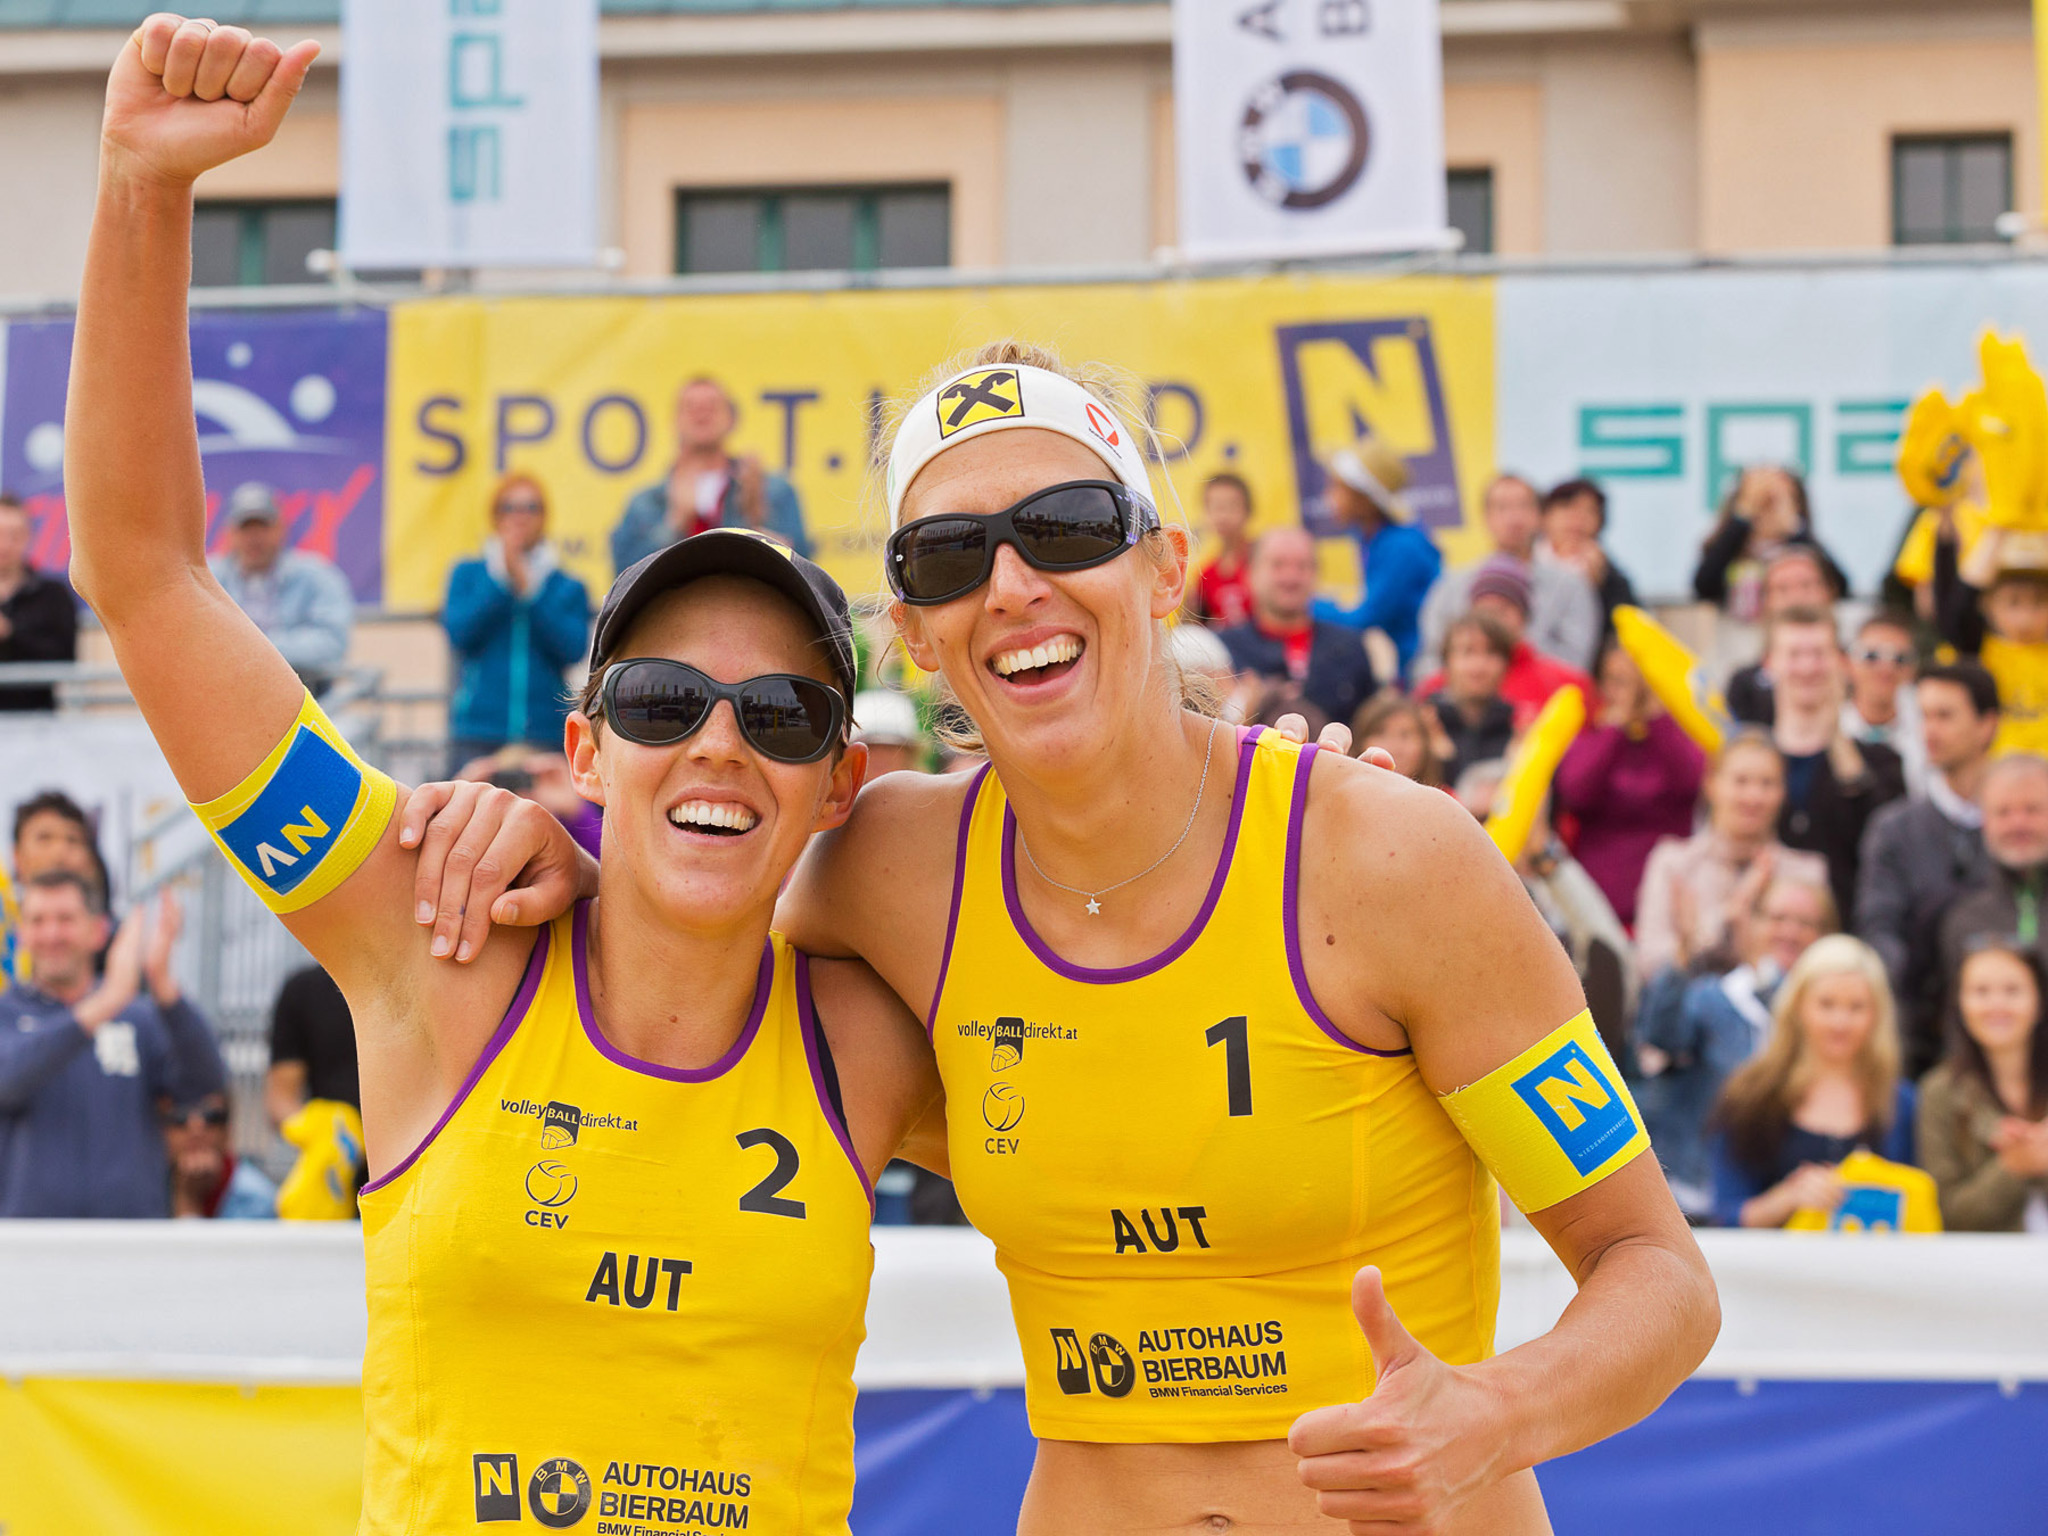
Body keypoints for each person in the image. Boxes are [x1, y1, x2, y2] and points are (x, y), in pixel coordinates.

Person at [435, 340, 1718, 1533]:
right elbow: (682, 915)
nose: (1009, 585)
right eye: (946, 558)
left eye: (1062, 528)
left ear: (1162, 571)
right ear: (915, 637)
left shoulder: (1388, 861)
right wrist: (563, 863)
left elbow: (1655, 1270)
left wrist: (1492, 1416)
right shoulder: (890, 868)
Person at [67, 24, 938, 1531]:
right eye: (665, 701)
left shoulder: (874, 1039)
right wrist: (144, 189)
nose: (721, 741)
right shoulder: (437, 939)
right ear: (585, 744)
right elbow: (147, 580)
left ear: (839, 782)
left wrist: (1282, 798)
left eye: (782, 716)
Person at [0, 877, 225, 1217]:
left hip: (130, 1243)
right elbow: (7, 1080)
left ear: (98, 931)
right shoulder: (7, 1012)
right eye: (38, 921)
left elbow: (203, 1084)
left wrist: (163, 986)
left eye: (65, 919)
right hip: (28, 1243)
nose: (51, 934)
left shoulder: (139, 1016)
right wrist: (104, 1004)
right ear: (22, 934)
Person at [1635, 874, 1834, 1213]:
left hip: (1795, 1198)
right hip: (1701, 1192)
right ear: (1752, 924)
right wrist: (1684, 953)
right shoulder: (1716, 997)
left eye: (1805, 923)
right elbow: (1661, 1036)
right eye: (1777, 918)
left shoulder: (1835, 1013)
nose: (1790, 931)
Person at [1708, 934, 1914, 1229]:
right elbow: (1723, 1216)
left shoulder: (1902, 1104)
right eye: (1826, 1004)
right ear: (1798, 1007)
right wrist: (1787, 1199)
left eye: (1856, 1007)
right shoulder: (1749, 1096)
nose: (1840, 1022)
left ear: (1876, 1014)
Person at [1856, 662, 1999, 1077]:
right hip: (1921, 1040)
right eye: (1924, 716)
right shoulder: (1895, 829)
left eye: (1946, 715)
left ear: (1986, 725)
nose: (1930, 730)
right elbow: (1877, 926)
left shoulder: (2022, 825)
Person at [1633, 731, 1830, 980]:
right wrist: (1731, 911)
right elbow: (1651, 965)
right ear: (1712, 784)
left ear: (1783, 792)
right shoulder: (1674, 862)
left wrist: (1692, 940)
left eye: (1767, 783)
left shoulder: (1807, 872)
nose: (1753, 797)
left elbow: (1816, 968)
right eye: (1741, 781)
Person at [1760, 606, 1906, 922]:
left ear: (1841, 663)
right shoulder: (1748, 763)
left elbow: (1888, 847)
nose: (1808, 667)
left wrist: (1837, 741)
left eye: (1819, 654)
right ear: (1770, 664)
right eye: (1795, 654)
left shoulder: (1882, 761)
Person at [441, 472, 593, 774]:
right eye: (509, 507)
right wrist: (500, 584)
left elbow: (573, 648)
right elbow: (459, 634)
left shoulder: (567, 585)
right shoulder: (468, 575)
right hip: (479, 731)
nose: (520, 517)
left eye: (531, 508)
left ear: (544, 516)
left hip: (545, 734)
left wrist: (531, 592)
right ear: (495, 516)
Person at [1553, 643, 1704, 928]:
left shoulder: (1677, 733)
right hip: (1599, 900)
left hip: (1668, 901)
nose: (1630, 692)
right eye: (1617, 680)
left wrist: (1657, 717)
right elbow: (1575, 792)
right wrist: (1616, 726)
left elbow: (1692, 782)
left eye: (1640, 681)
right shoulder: (1591, 736)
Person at [611, 376, 812, 572]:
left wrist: (757, 516)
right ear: (675, 421)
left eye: (712, 406)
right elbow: (623, 577)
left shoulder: (772, 490)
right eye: (691, 407)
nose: (701, 413)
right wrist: (675, 522)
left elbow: (805, 568)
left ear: (732, 418)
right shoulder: (644, 502)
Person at [1916, 938, 2048, 1231]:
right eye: (1981, 991)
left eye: (2012, 990)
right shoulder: (1940, 1092)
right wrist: (2013, 1166)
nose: (1996, 1005)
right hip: (1986, 1271)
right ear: (1960, 1004)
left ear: (2039, 1001)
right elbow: (1945, 1214)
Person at [1417, 473, 1602, 675]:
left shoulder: (1570, 586)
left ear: (1540, 516)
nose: (1514, 518)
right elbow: (1430, 658)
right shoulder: (1452, 586)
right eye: (1502, 508)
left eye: (1523, 506)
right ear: (1485, 517)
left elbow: (1576, 661)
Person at [1217, 525, 1377, 728]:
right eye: (1278, 565)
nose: (1291, 577)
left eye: (1302, 566)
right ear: (1251, 573)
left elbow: (1372, 726)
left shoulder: (1351, 647)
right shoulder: (1221, 652)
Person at [1310, 438, 1441, 677]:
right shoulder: (1378, 539)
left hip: (1423, 672)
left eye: (1338, 487)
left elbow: (1365, 618)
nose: (1329, 495)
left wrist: (1304, 603)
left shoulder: (1401, 547)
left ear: (1363, 497)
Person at [1937, 754, 2048, 1030]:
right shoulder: (1963, 919)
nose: (2018, 824)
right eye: (2003, 812)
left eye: (2033, 810)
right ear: (1984, 820)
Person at [206, 481, 353, 686]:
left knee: (347, 720)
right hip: (221, 697)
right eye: (246, 528)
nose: (254, 538)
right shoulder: (206, 578)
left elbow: (332, 645)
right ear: (230, 533)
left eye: (262, 527)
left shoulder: (317, 576)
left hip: (306, 697)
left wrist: (251, 648)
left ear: (281, 528)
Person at [1416, 560, 1595, 728]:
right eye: (1484, 609)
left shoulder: (1567, 686)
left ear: (1524, 617)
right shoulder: (1434, 689)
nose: (1493, 616)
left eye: (1504, 609)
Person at [1932, 518, 2048, 754]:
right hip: (1994, 778)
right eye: (2013, 602)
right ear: (1988, 605)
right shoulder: (1976, 650)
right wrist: (2000, 528)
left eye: (2039, 602)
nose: (2026, 616)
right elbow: (1960, 608)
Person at [1692, 465, 1846, 624]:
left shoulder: (1804, 544)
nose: (1768, 508)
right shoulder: (1728, 548)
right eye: (1761, 501)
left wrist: (1793, 527)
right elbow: (1704, 587)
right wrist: (1742, 518)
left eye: (1776, 501)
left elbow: (1839, 587)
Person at [1723, 547, 1842, 725]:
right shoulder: (1744, 684)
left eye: (1806, 585)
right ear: (1766, 601)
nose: (1797, 597)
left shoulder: (1862, 667)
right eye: (1783, 589)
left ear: (1829, 591)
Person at [5, 790, 112, 988]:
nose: (60, 852)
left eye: (72, 840)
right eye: (44, 838)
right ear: (17, 855)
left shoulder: (118, 946)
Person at [0, 492, 78, 711]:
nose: (5, 545)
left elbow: (66, 660)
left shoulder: (53, 595)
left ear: (29, 538)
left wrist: (11, 635)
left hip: (37, 724)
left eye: (14, 535)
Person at [1421, 612, 1516, 787]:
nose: (1479, 666)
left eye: (1491, 653)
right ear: (1447, 660)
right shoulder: (1420, 724)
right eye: (1468, 652)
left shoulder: (1519, 727)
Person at [1538, 477, 1635, 640]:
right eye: (1567, 507)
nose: (1577, 519)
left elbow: (1626, 629)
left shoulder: (1612, 577)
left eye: (1589, 511)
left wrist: (1599, 587)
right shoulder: (1524, 563)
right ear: (1544, 516)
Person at [1840, 611, 1925, 793]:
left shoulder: (1929, 728)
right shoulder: (1832, 728)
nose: (1886, 668)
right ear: (1847, 663)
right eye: (1871, 656)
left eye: (1900, 658)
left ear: (1913, 669)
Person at [265, 962, 358, 1128]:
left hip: (411, 1144)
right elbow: (281, 1096)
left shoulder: (415, 981)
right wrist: (318, 1131)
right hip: (337, 1146)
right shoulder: (303, 990)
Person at [166, 1088, 278, 1218]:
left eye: (212, 1117)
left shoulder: (259, 1199)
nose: (196, 1129)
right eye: (180, 1116)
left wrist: (189, 1200)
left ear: (229, 1131)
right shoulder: (142, 1188)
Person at [1185, 472, 1256, 629]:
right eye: (1215, 507)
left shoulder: (1263, 562)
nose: (1223, 516)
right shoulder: (1206, 575)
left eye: (1232, 506)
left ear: (1248, 510)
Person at [1350, 691, 1445, 789]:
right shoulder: (1340, 798)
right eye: (1381, 734)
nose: (1395, 748)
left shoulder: (1446, 800)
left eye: (1405, 735)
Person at [852, 688, 928, 778]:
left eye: (889, 748)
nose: (881, 756)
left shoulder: (930, 790)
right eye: (871, 747)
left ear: (909, 753)